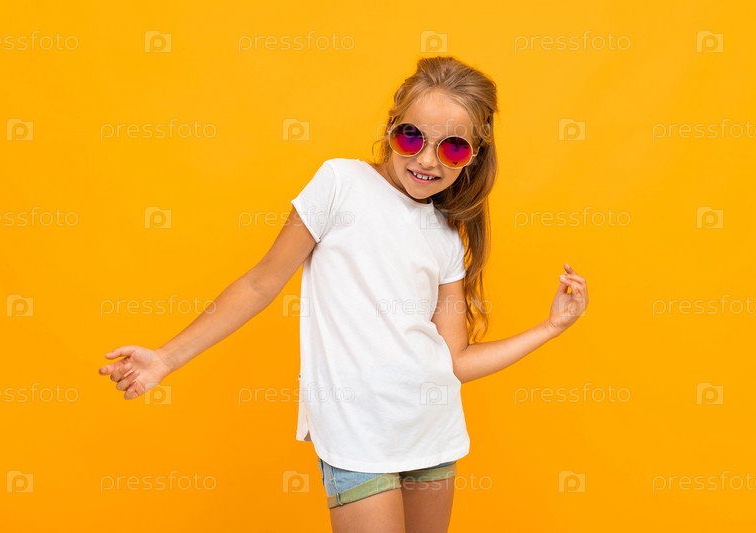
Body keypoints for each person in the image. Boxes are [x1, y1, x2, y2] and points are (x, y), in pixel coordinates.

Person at [98, 55, 588, 533]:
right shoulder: (339, 184)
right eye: (411, 136)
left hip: (432, 431)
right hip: (356, 433)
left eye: (453, 149)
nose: (426, 160)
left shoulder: (444, 236)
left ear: (474, 155)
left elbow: (454, 360)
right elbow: (260, 283)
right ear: (391, 127)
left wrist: (551, 327)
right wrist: (166, 358)